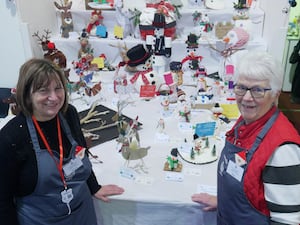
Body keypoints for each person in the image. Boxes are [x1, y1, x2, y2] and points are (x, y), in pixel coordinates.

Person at [0, 58, 124, 225]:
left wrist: (94, 187)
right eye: (43, 91)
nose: (54, 97)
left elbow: (81, 153)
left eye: (58, 88)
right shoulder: (11, 137)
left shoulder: (68, 114)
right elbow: (2, 199)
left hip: (82, 214)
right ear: (26, 93)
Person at [191, 51, 300, 225]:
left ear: (275, 95)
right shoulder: (247, 121)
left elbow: (288, 221)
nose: (247, 98)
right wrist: (224, 203)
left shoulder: (283, 150)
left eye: (258, 90)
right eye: (241, 87)